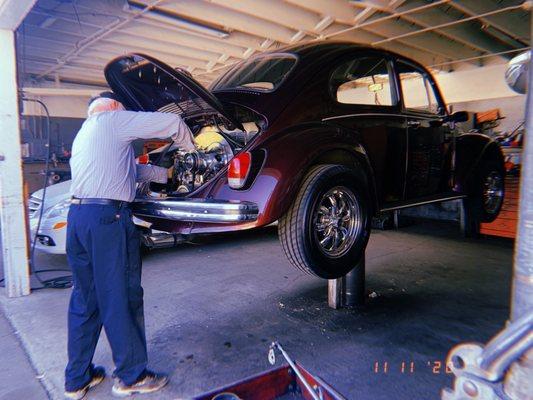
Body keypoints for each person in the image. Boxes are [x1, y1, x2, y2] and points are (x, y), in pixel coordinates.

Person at [64, 91, 195, 399]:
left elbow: (132, 171)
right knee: (121, 296)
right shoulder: (112, 119)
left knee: (86, 300)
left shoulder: (85, 133)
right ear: (114, 107)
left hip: (79, 218)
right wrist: (193, 149)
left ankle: (77, 378)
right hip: (108, 221)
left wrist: (166, 173)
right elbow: (173, 122)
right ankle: (132, 375)